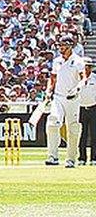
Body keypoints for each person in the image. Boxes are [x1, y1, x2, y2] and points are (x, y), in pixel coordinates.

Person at [46, 37, 86, 168]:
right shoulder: (57, 61)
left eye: (63, 46)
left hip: (73, 99)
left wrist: (78, 88)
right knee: (52, 123)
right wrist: (48, 91)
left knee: (73, 129)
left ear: (70, 46)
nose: (61, 48)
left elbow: (83, 78)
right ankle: (53, 156)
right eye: (60, 46)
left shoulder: (78, 61)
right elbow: (52, 78)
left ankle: (70, 159)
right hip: (58, 97)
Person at [78, 58, 96, 165]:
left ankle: (94, 158)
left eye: (89, 67)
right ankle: (82, 158)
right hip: (81, 109)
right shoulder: (78, 78)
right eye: (85, 67)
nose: (87, 69)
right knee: (82, 134)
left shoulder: (95, 78)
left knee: (94, 134)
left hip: (93, 108)